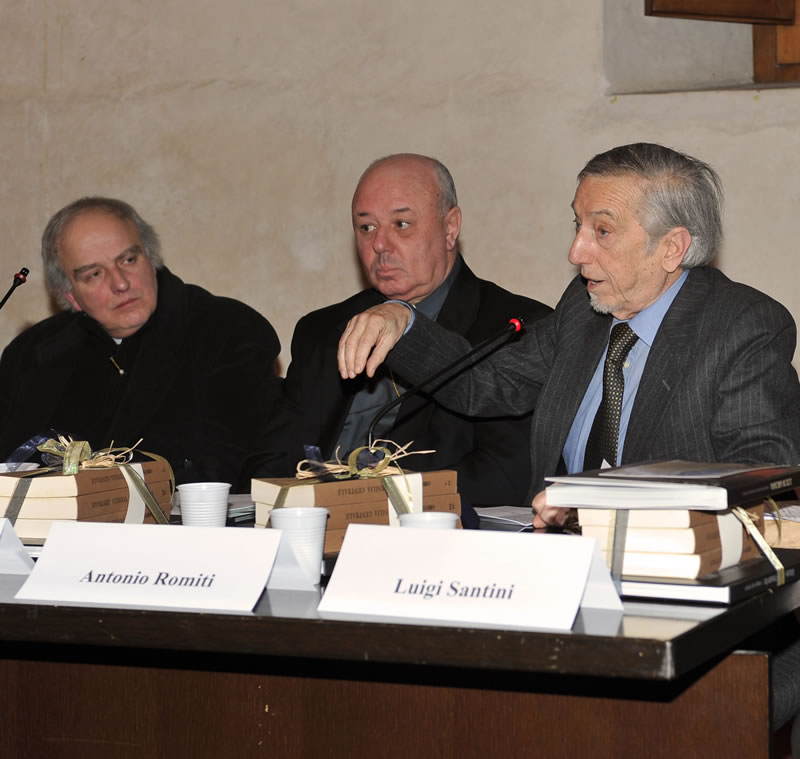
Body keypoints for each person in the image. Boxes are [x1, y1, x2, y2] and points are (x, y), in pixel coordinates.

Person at [336, 143, 800, 526]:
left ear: (671, 248)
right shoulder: (583, 310)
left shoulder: (742, 325)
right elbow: (485, 385)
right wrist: (405, 322)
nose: (577, 251)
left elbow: (759, 478)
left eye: (603, 231)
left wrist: (608, 500)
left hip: (673, 574)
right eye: (578, 226)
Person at [264, 153, 551, 517]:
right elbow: (274, 457)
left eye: (401, 224)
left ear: (450, 228)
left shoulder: (512, 329)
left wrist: (367, 503)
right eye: (366, 228)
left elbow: (505, 477)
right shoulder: (323, 330)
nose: (380, 244)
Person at [0, 197, 281, 491]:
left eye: (128, 260)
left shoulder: (228, 330)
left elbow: (222, 472)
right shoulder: (31, 355)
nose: (120, 283)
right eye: (94, 273)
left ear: (151, 257)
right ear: (71, 295)